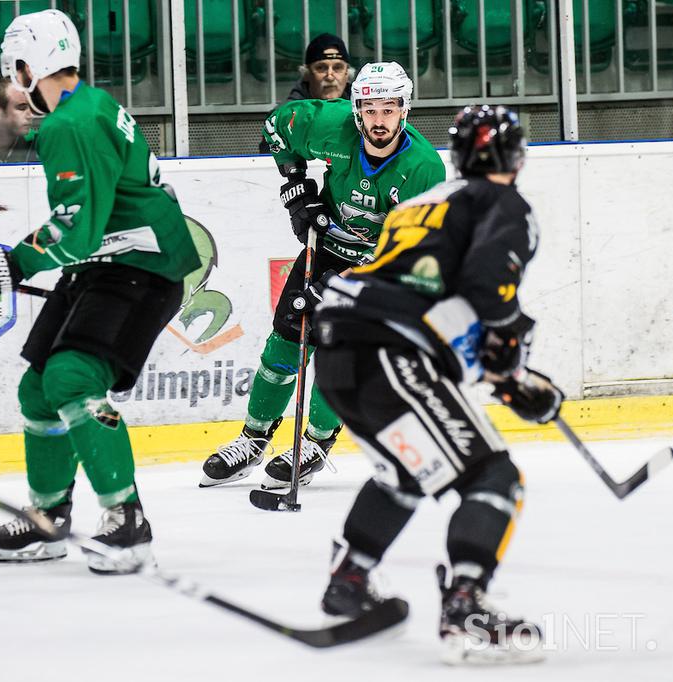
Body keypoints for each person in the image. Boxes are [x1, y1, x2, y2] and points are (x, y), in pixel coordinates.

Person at [0, 9, 198, 574]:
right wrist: (7, 265)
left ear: (28, 66)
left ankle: (126, 519)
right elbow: (85, 228)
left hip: (143, 266)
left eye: (12, 69)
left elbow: (76, 227)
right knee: (38, 390)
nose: (11, 80)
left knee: (73, 377)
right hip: (109, 262)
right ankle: (48, 518)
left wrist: (7, 264)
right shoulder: (88, 105)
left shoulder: (68, 125)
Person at [308, 104, 562, 664]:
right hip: (388, 350)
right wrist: (514, 366)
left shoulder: (426, 201)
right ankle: (466, 605)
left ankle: (349, 578)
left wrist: (506, 371)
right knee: (492, 474)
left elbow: (433, 291)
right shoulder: (505, 203)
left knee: (405, 471)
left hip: (336, 345)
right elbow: (485, 292)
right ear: (516, 158)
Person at [201, 62, 446, 489]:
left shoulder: (424, 170)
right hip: (325, 250)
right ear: (356, 110)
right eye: (369, 110)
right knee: (285, 341)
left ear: (404, 110)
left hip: (379, 271)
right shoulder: (331, 127)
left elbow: (413, 256)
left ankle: (314, 443)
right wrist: (297, 188)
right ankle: (252, 440)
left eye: (389, 110)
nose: (379, 121)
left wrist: (348, 283)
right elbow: (277, 127)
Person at [257, 33, 352, 153]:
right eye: (321, 68)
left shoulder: (363, 111)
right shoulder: (282, 116)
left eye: (337, 68)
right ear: (306, 74)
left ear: (347, 74)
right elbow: (270, 162)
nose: (330, 76)